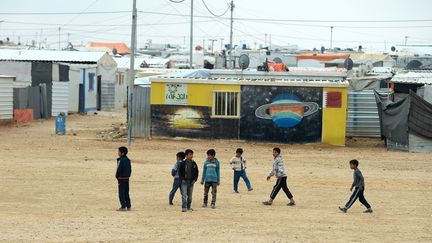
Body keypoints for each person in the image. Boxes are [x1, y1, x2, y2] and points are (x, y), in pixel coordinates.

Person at [116, 146, 132, 211]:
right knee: (126, 193)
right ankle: (128, 206)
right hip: (127, 178)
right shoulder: (128, 160)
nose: (118, 153)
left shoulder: (120, 160)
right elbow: (130, 169)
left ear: (122, 153)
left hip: (121, 179)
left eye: (119, 152)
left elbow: (118, 169)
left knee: (121, 193)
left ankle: (123, 206)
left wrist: (117, 176)